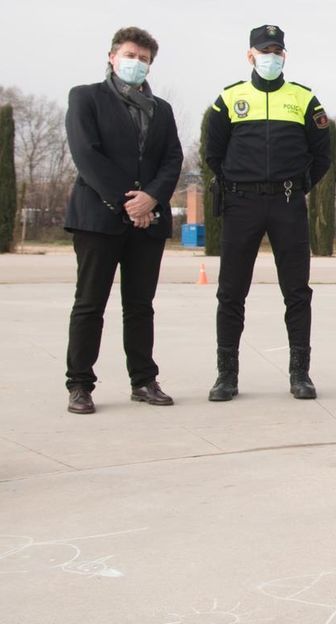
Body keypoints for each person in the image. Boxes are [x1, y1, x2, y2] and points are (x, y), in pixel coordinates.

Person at [204, 24, 332, 402]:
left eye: (277, 51)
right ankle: (226, 376)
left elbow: (321, 155)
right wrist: (238, 182)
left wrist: (298, 185)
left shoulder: (304, 100)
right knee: (231, 292)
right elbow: (213, 153)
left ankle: (300, 374)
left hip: (287, 202)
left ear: (284, 56)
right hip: (241, 203)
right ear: (250, 55)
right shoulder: (229, 99)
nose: (271, 57)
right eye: (264, 51)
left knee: (297, 291)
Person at [63, 27, 183, 415]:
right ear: (112, 57)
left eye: (144, 59)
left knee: (140, 305)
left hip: (148, 221)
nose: (137, 63)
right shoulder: (86, 97)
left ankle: (143, 380)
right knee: (89, 303)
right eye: (131, 55)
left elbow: (172, 159)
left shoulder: (162, 109)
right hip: (98, 219)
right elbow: (87, 154)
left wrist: (151, 199)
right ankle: (80, 384)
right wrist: (129, 202)